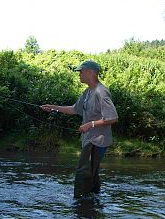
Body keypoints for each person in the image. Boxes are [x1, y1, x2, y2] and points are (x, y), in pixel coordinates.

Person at [41, 60, 118, 198]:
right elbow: (74, 109)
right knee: (91, 174)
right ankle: (93, 205)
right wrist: (53, 107)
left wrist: (90, 124)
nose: (79, 74)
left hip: (96, 142)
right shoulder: (88, 92)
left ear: (91, 72)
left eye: (81, 71)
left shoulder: (101, 92)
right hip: (89, 140)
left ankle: (80, 206)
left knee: (83, 173)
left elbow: (112, 117)